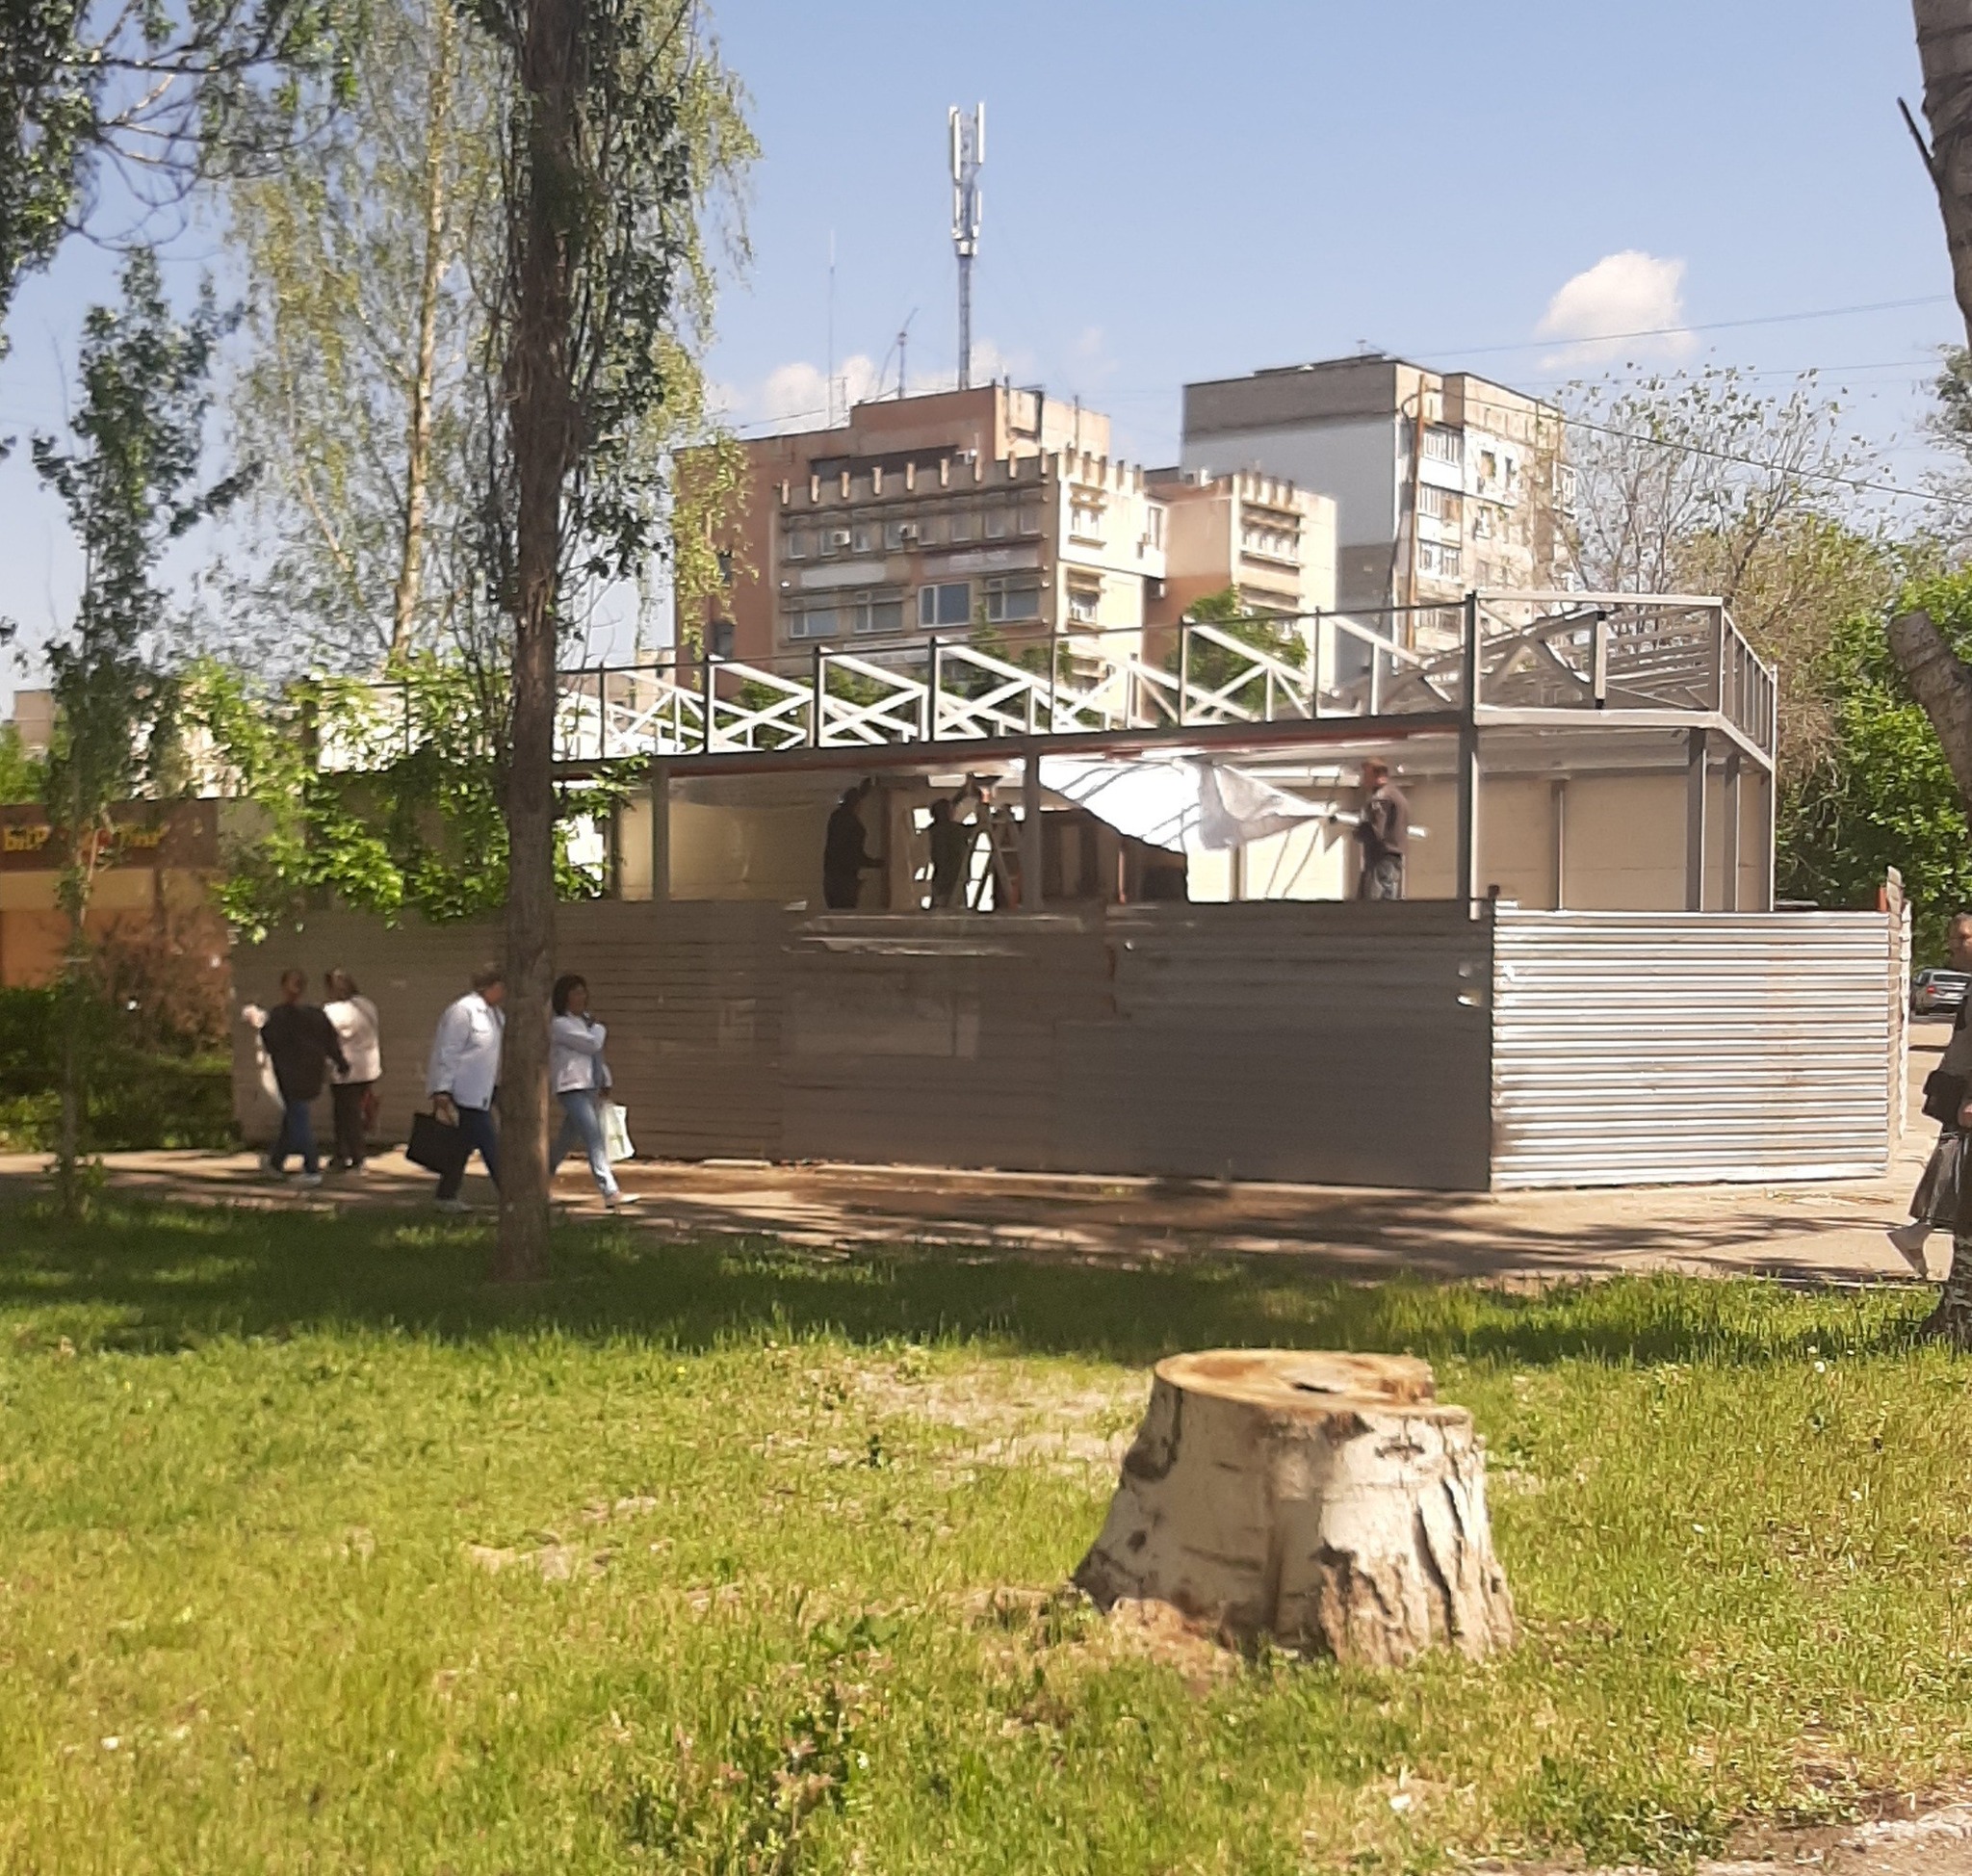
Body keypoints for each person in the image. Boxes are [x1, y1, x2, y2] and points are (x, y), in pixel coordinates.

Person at [1892, 910, 1972, 1274]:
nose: (1952, 945)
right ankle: (1920, 1231)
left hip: (1964, 1091)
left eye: (1962, 938)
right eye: (1952, 937)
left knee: (1953, 1158)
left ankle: (1918, 1232)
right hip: (1958, 1089)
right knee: (1953, 1157)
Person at [550, 974, 636, 1212]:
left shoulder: (585, 1022)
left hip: (589, 1086)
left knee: (564, 1141)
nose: (581, 997)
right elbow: (591, 1044)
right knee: (594, 1137)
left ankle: (540, 1178)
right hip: (571, 1087)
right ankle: (610, 1191)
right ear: (564, 997)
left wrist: (605, 1079)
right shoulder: (561, 1025)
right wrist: (599, 1028)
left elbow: (597, 1056)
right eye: (575, 992)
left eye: (583, 992)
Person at [426, 963, 506, 1212]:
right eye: (501, 986)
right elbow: (448, 1051)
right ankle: (511, 1195)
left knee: (461, 1145)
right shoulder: (463, 1011)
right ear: (491, 986)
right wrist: (442, 1088)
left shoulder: (495, 1014)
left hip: (487, 1088)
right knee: (490, 1144)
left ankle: (446, 1194)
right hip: (466, 1092)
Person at [259, 969, 347, 1187]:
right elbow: (331, 1041)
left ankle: (311, 1167)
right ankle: (276, 1162)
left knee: (298, 1117)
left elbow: (270, 1042)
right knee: (293, 1115)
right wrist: (341, 1062)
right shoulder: (316, 1015)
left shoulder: (279, 1016)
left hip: (290, 1073)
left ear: (283, 988)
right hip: (313, 1072)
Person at [323, 969, 381, 1173]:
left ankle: (351, 1155)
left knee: (345, 1114)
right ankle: (347, 1153)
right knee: (355, 1112)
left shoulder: (332, 1011)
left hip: (344, 1071)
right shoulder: (367, 1005)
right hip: (368, 1068)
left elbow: (327, 1037)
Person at [1355, 758, 1411, 900]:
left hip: (1380, 859)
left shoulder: (1381, 798)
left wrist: (1359, 832)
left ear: (1378, 776)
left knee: (1373, 904)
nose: (1363, 780)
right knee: (1388, 901)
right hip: (1394, 859)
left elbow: (1376, 830)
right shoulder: (1397, 795)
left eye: (1366, 775)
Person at [823, 779, 882, 909]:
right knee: (844, 910)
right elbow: (853, 855)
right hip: (843, 880)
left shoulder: (837, 818)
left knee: (841, 911)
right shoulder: (853, 825)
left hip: (835, 879)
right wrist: (878, 863)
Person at [928, 778, 986, 909]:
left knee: (940, 905)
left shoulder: (934, 829)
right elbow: (976, 829)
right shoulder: (954, 830)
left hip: (941, 877)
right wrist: (980, 805)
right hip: (954, 876)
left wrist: (964, 791)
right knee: (955, 907)